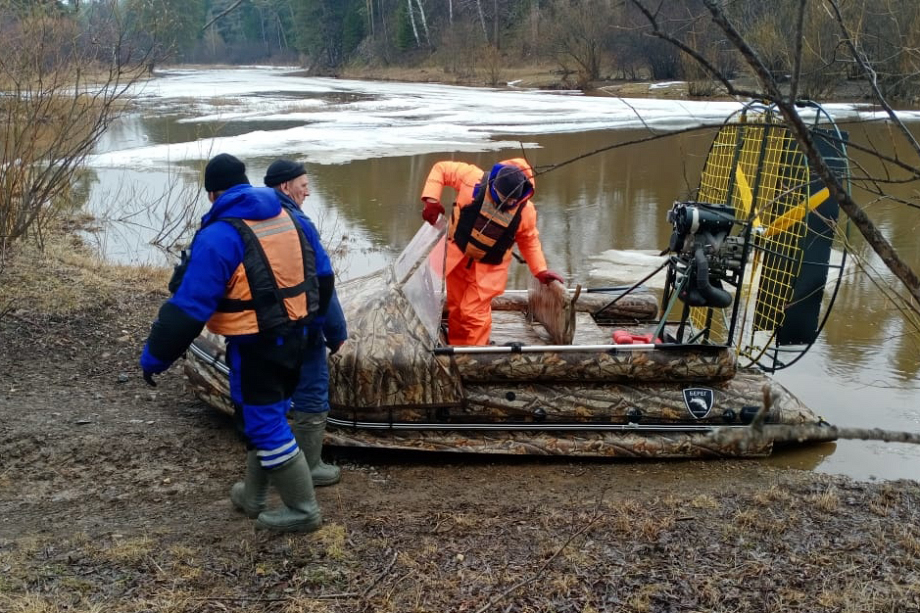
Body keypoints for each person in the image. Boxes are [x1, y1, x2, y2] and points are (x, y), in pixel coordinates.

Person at [139, 153, 334, 533]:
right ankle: (253, 496)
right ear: (246, 182)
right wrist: (316, 328)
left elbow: (188, 309)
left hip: (256, 344)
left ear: (213, 194)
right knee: (267, 415)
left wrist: (154, 358)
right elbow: (324, 278)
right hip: (299, 338)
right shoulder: (291, 216)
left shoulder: (220, 235)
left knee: (264, 424)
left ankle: (303, 510)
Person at [263, 159, 347, 487]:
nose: (308, 191)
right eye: (303, 185)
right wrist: (336, 332)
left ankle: (276, 459)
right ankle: (309, 466)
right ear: (285, 187)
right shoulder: (298, 223)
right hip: (303, 324)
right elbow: (323, 282)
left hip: (267, 324)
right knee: (312, 388)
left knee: (272, 391)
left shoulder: (254, 219)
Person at [420, 157, 564, 346]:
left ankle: (475, 355)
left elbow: (529, 240)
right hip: (458, 258)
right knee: (456, 308)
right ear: (494, 186)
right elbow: (441, 169)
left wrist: (540, 270)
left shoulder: (525, 212)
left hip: (489, 269)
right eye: (503, 198)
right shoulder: (472, 179)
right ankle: (457, 346)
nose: (506, 203)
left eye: (512, 200)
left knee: (473, 313)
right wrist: (431, 199)